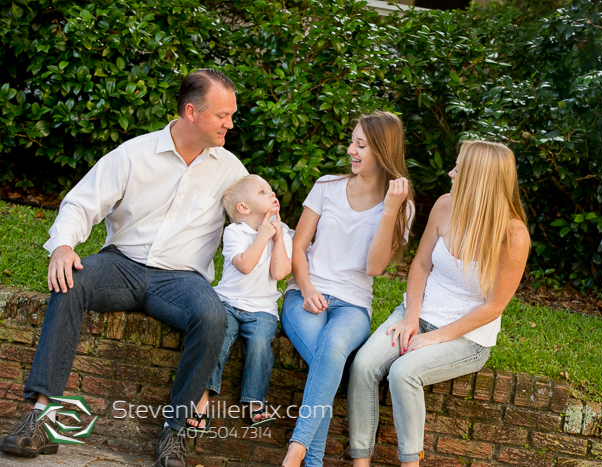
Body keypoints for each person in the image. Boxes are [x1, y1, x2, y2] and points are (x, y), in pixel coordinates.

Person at [0, 69, 248, 467]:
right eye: (222, 115)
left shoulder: (231, 170)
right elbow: (81, 203)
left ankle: (175, 432)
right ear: (191, 112)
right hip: (121, 265)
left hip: (181, 280)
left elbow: (257, 220)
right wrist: (63, 246)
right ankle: (40, 420)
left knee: (211, 316)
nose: (230, 124)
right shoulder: (135, 154)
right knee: (71, 282)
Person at [347, 140, 530, 466]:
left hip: (466, 337)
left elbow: (494, 306)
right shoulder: (445, 206)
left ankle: (410, 463)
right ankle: (360, 461)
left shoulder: (513, 236)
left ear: (478, 178)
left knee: (404, 372)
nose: (450, 172)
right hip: (419, 312)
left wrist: (435, 337)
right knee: (363, 366)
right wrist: (411, 317)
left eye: (458, 168)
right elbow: (420, 265)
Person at [280, 111, 414, 467]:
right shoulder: (326, 187)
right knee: (329, 360)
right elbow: (298, 246)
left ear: (384, 152)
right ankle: (306, 459)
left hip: (353, 306)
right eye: (352, 141)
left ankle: (297, 451)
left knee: (332, 349)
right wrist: (306, 288)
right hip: (304, 294)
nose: (351, 150)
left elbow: (374, 268)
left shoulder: (403, 207)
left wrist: (389, 211)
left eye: (361, 145)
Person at [186, 175, 292, 432]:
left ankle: (255, 402)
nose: (272, 193)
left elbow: (280, 273)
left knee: (259, 345)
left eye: (270, 189)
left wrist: (277, 239)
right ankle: (201, 400)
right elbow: (244, 265)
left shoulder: (283, 232)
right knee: (219, 340)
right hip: (228, 302)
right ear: (243, 208)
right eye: (262, 191)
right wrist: (263, 236)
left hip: (262, 309)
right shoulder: (235, 232)